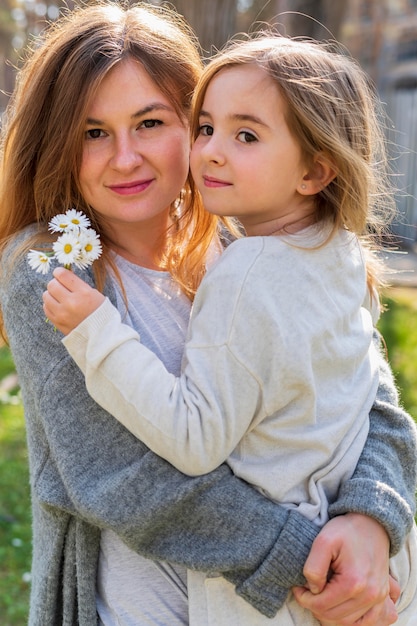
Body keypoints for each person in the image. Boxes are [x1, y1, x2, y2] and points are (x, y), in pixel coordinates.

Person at [0, 3, 415, 625]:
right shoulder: (52, 271)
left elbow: (369, 398)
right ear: (58, 141)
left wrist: (370, 519)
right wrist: (317, 569)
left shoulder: (246, 245)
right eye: (93, 132)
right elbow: (123, 480)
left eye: (150, 122)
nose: (125, 157)